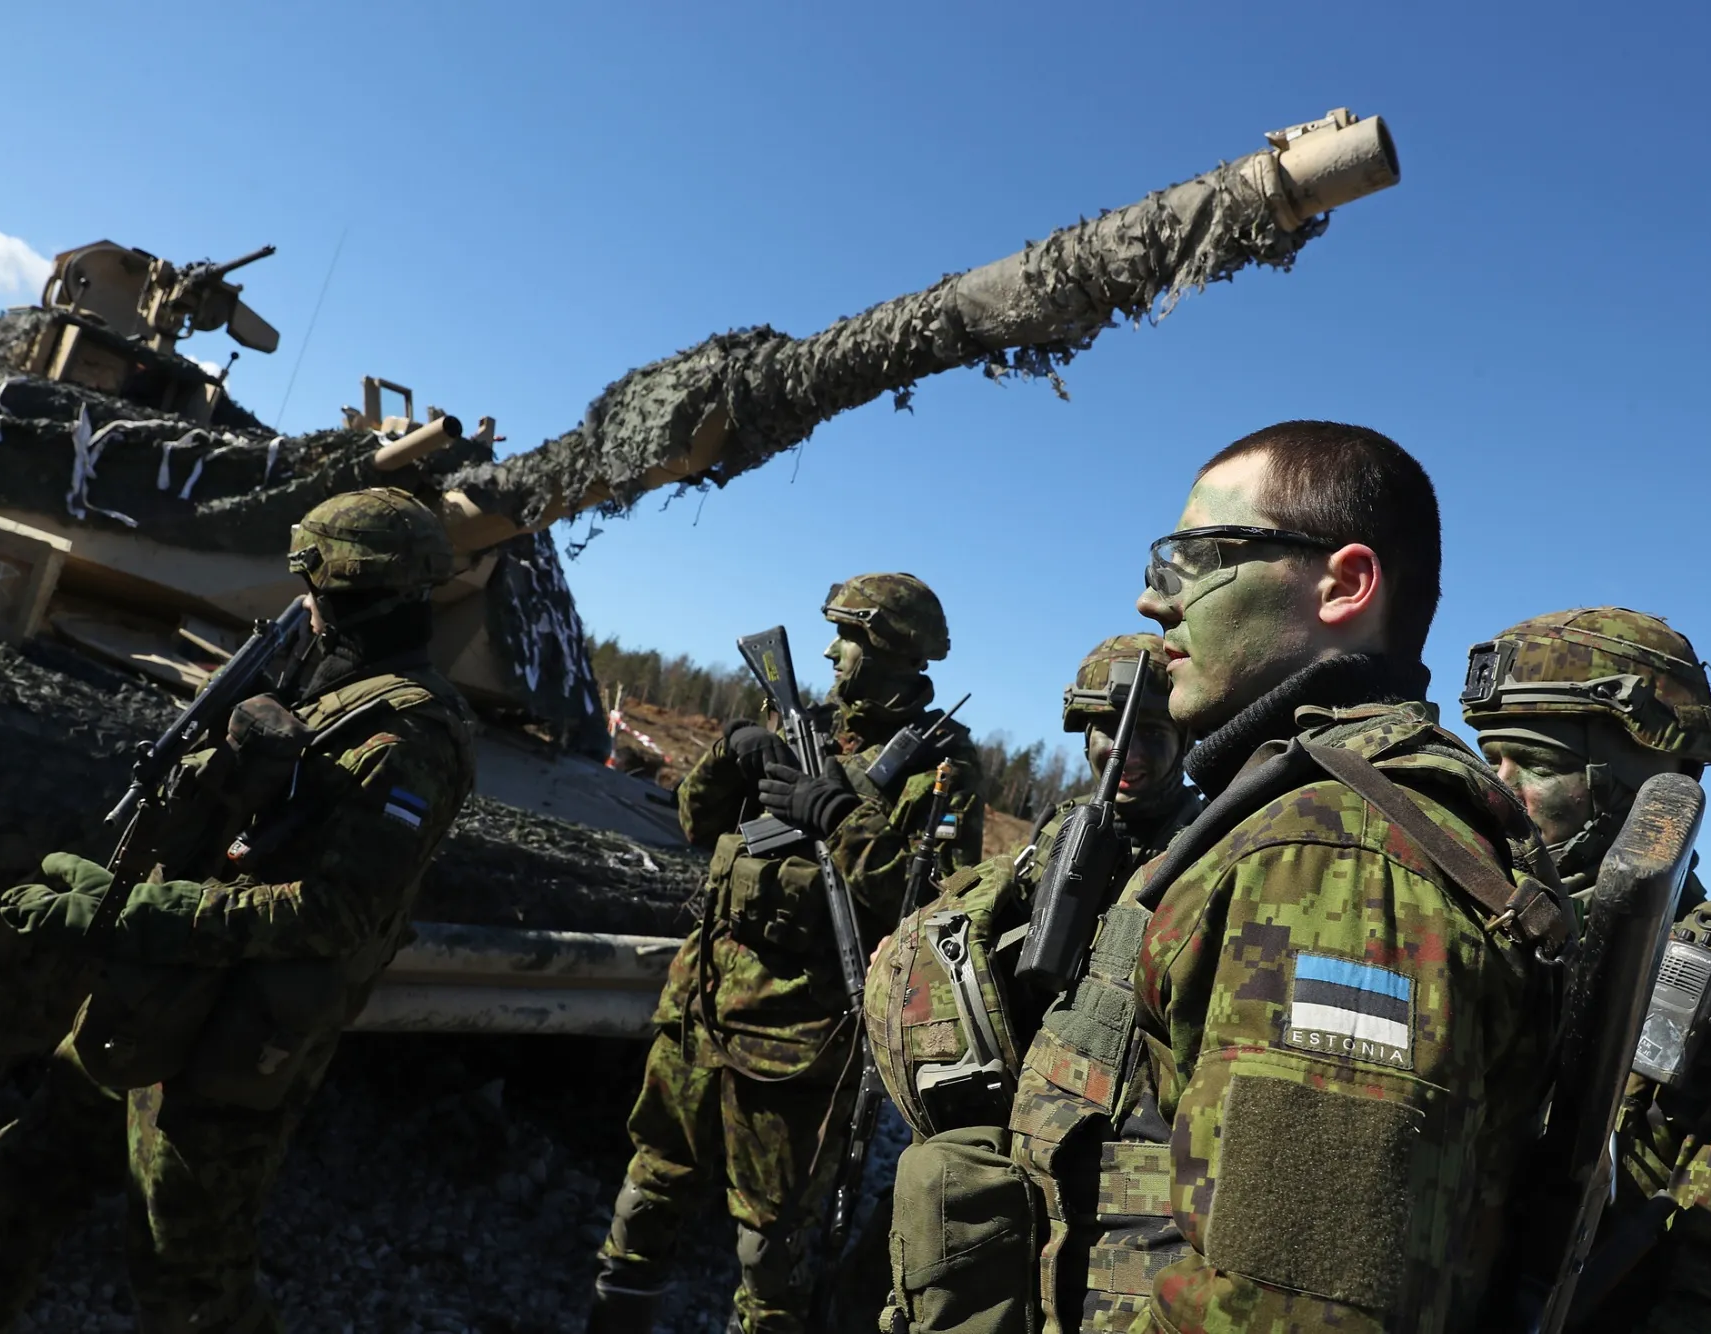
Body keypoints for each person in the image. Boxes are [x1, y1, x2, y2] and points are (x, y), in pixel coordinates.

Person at [998, 421, 1570, 1334]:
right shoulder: (1305, 805)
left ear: (1344, 583)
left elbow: (1287, 1314)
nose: (1153, 600)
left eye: (1192, 558)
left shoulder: (1340, 853)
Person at [0, 487, 476, 1333]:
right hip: (151, 995)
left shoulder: (408, 735)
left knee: (189, 1279)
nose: (303, 604)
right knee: (18, 1184)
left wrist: (141, 913)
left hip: (232, 1040)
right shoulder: (320, 686)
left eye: (313, 583)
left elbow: (336, 912)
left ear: (348, 588)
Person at [588, 573, 983, 1334]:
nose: (833, 651)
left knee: (769, 1246)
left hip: (797, 1039)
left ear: (893, 649)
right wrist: (728, 751)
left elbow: (934, 903)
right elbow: (696, 823)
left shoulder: (941, 766)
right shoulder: (799, 722)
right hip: (700, 1001)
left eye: (851, 637)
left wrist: (836, 815)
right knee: (650, 1185)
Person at [1460, 607, 1711, 1333]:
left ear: (1655, 792)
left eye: (1538, 765)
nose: (1497, 791)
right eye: (1491, 761)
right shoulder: (1469, 938)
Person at [864, 633, 1200, 1333]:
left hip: (1127, 1194)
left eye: (1152, 733)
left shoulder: (1206, 850)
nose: (1124, 751)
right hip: (1026, 1152)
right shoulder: (1063, 831)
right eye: (1106, 729)